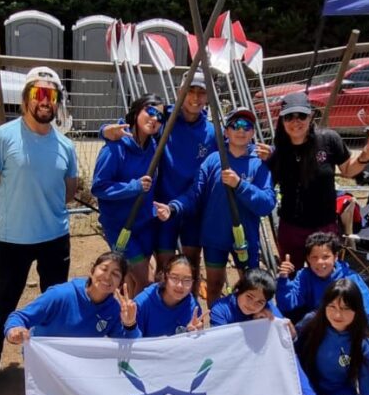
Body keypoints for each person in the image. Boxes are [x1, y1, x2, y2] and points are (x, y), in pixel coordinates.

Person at [0, 65, 78, 395]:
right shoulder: (2, 137)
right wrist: (13, 211)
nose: (45, 100)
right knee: (2, 306)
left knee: (54, 304)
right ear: (26, 99)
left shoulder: (66, 146)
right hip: (14, 240)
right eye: (38, 93)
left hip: (55, 239)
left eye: (52, 95)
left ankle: (50, 364)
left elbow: (69, 191)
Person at [100, 71, 216, 285]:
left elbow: (237, 146)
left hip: (192, 207)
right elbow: (136, 123)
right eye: (190, 90)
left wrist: (269, 153)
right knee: (163, 268)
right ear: (180, 92)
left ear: (209, 96)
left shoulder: (212, 131)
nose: (195, 97)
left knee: (190, 267)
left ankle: (187, 305)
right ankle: (157, 305)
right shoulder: (165, 118)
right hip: (161, 208)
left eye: (202, 92)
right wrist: (104, 130)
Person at [155, 107, 276, 307]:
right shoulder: (213, 160)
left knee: (250, 288)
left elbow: (266, 204)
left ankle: (244, 322)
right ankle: (215, 322)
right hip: (215, 238)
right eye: (235, 125)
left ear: (253, 133)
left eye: (247, 126)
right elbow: (194, 194)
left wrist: (240, 185)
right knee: (214, 286)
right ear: (226, 132)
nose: (241, 130)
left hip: (246, 239)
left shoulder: (259, 164)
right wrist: (173, 207)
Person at [267, 92, 369, 269]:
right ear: (282, 120)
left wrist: (364, 158)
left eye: (301, 116)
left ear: (311, 116)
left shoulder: (329, 140)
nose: (295, 122)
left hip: (324, 226)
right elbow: (266, 187)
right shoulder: (278, 150)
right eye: (289, 116)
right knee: (292, 274)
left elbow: (347, 170)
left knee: (324, 274)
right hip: (291, 227)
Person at [208, 268, 322, 395]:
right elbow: (222, 351)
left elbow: (288, 356)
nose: (252, 305)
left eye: (259, 302)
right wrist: (253, 326)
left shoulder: (270, 311)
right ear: (238, 289)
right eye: (249, 297)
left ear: (266, 302)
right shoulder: (220, 309)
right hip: (232, 373)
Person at [91, 93, 165, 295]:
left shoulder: (153, 146)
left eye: (160, 117)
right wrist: (133, 187)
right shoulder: (115, 148)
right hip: (120, 226)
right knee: (145, 280)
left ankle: (127, 313)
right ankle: (137, 315)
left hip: (144, 223)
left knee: (131, 280)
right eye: (150, 111)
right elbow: (98, 187)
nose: (155, 118)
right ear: (137, 111)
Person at [295, 277, 369, 395]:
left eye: (345, 308)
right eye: (332, 306)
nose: (337, 315)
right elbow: (289, 350)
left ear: (357, 310)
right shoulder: (311, 322)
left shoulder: (364, 344)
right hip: (305, 382)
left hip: (337, 388)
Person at [3, 251, 140, 342]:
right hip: (45, 361)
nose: (107, 277)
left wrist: (130, 324)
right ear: (92, 271)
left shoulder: (114, 310)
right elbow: (19, 317)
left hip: (77, 367)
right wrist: (14, 331)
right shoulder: (60, 295)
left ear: (120, 284)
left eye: (115, 274)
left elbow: (129, 346)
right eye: (104, 269)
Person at [276, 232, 369, 342]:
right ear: (308, 259)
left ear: (335, 257)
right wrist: (283, 279)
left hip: (345, 330)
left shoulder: (350, 279)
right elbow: (286, 305)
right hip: (319, 326)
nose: (320, 262)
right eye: (314, 257)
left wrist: (368, 341)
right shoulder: (305, 276)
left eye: (325, 257)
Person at [113, 254, 203, 336]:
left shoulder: (193, 307)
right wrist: (130, 325)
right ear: (165, 277)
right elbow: (132, 343)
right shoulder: (143, 303)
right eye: (174, 278)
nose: (180, 285)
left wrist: (193, 334)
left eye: (187, 280)